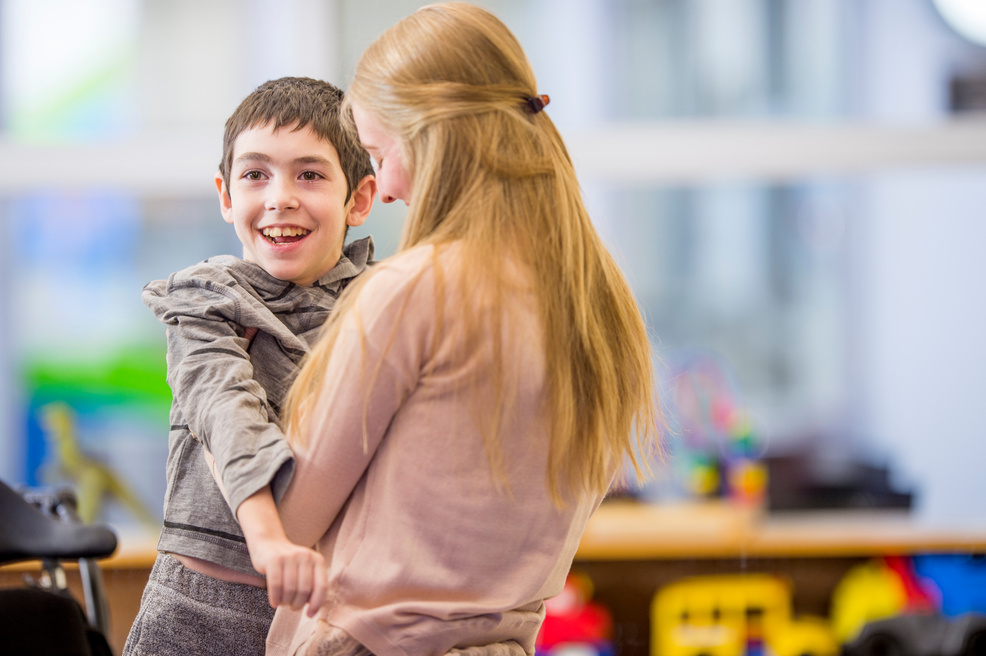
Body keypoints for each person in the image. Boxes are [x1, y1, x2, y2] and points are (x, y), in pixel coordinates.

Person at [233, 4, 664, 655]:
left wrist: (226, 393)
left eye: (382, 154)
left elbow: (291, 519)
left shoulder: (413, 291)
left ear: (431, 136)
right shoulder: (598, 303)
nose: (389, 188)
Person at [123, 76, 376, 656]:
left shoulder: (383, 301)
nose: (279, 196)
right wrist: (267, 541)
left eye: (309, 175)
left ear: (359, 198)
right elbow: (226, 410)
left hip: (333, 613)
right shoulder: (204, 298)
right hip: (198, 609)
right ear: (226, 195)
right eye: (256, 174)